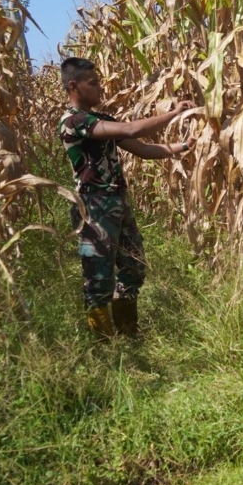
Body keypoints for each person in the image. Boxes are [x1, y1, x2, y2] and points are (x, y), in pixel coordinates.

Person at [58, 57, 195, 338]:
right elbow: (132, 130)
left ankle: (128, 332)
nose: (100, 88)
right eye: (93, 83)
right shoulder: (75, 122)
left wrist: (183, 146)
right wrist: (174, 113)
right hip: (94, 207)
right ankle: (104, 344)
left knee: (134, 266)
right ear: (74, 86)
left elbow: (143, 149)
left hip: (118, 202)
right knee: (98, 278)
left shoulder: (101, 120)